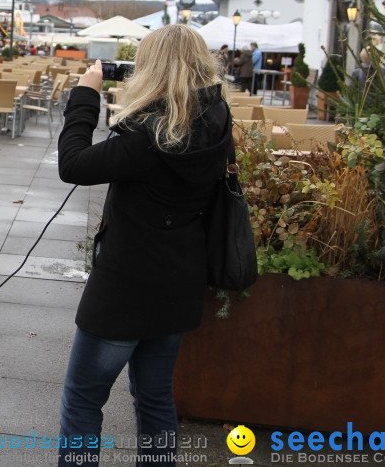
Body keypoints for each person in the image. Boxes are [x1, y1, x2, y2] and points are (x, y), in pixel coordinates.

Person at [55, 24, 231, 466]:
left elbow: (73, 163)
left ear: (151, 68)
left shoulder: (150, 138)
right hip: (179, 283)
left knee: (82, 399)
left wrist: (85, 96)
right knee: (154, 399)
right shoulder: (217, 122)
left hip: (126, 288)